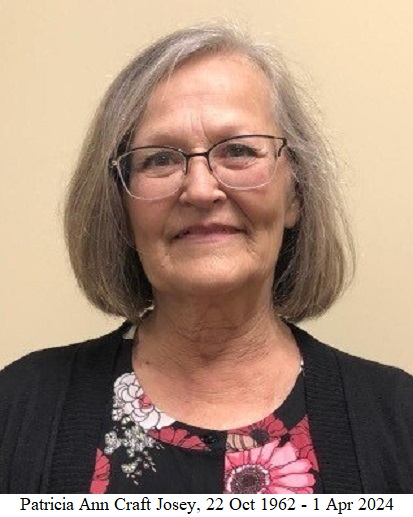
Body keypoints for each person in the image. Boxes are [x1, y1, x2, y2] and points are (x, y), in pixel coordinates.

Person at [1, 24, 412, 495]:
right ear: (121, 207)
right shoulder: (18, 409)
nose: (200, 189)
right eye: (159, 159)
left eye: (238, 150)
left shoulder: (398, 419)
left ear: (295, 194)